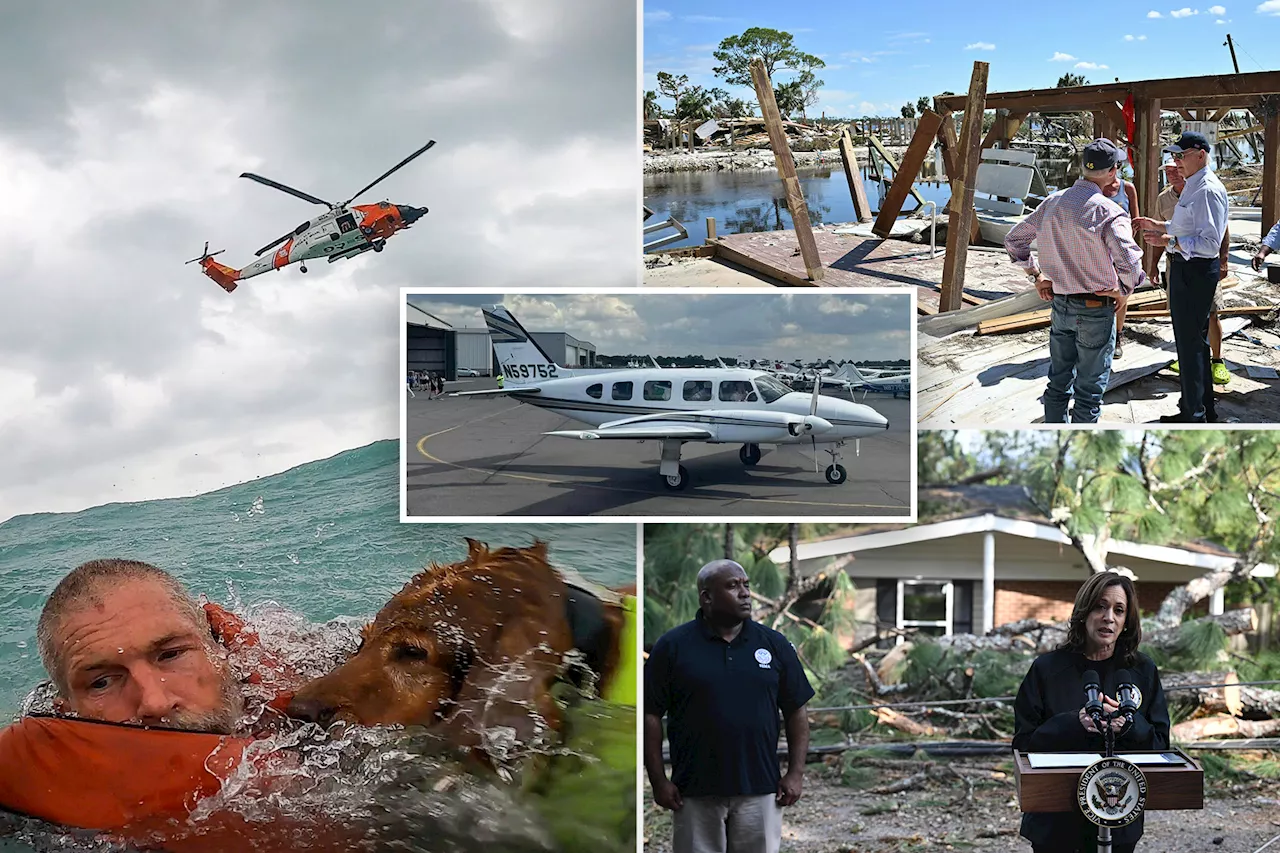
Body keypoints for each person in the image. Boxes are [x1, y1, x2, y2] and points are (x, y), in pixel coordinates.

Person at [644, 560, 814, 853]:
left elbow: (796, 710)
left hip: (760, 788)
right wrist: (658, 780)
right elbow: (651, 716)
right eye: (733, 585)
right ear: (706, 596)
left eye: (746, 585)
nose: (745, 593)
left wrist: (795, 773)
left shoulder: (774, 644)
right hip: (694, 789)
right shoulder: (672, 646)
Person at [1013, 571, 1170, 853]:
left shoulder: (1142, 671)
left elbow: (1160, 742)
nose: (1109, 617)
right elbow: (1023, 744)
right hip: (1055, 823)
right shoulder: (1047, 669)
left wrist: (1130, 727)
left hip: (1118, 816)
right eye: (1100, 606)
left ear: (1126, 621)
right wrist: (1074, 723)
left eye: (1118, 610)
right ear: (1084, 612)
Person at [1005, 139, 1146, 423]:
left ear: (1082, 168)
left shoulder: (1052, 203)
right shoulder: (1108, 211)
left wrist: (1036, 275)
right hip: (1095, 310)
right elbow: (1130, 263)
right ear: (1113, 171)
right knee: (1089, 393)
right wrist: (1123, 289)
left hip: (1060, 306)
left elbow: (1014, 239)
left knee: (1057, 384)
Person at [1133, 131, 1229, 422]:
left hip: (1195, 271)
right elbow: (1187, 226)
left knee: (1190, 346)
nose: (1176, 162)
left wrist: (1168, 242)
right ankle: (1201, 409)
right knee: (1192, 345)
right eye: (1174, 156)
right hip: (1188, 269)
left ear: (1201, 155)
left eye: (1181, 156)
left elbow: (1209, 244)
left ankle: (1194, 414)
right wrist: (1160, 225)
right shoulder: (1194, 185)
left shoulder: (1207, 189)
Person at [1148, 161, 1233, 386]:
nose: (1172, 174)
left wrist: (1223, 260)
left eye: (1176, 169)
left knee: (1212, 311)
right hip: (1177, 263)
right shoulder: (1163, 199)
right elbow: (1161, 233)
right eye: (1167, 171)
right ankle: (1186, 358)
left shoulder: (1203, 191)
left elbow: (1221, 229)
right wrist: (1153, 264)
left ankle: (1217, 360)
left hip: (1204, 264)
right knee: (1181, 315)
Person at [1108, 166, 1140, 358]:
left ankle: (1118, 335)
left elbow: (1135, 219)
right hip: (1098, 251)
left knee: (1122, 293)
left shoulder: (1127, 188)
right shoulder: (1094, 187)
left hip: (1120, 250)